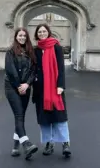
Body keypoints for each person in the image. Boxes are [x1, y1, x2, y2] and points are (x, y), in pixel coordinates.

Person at [32, 23, 72, 158]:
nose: (42, 33)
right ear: (37, 34)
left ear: (48, 32)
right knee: (44, 118)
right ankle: (48, 143)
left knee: (59, 116)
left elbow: (61, 67)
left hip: (55, 88)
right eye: (39, 32)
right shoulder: (36, 49)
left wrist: (60, 85)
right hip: (40, 89)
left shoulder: (56, 47)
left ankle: (65, 143)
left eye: (44, 31)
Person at [4, 27, 38, 160]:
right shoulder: (10, 52)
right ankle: (26, 144)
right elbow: (11, 71)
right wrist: (19, 86)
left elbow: (34, 70)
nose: (22, 37)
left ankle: (15, 147)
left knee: (21, 116)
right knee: (18, 114)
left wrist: (27, 84)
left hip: (25, 87)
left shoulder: (30, 52)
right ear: (16, 37)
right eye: (20, 35)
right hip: (12, 87)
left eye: (24, 36)